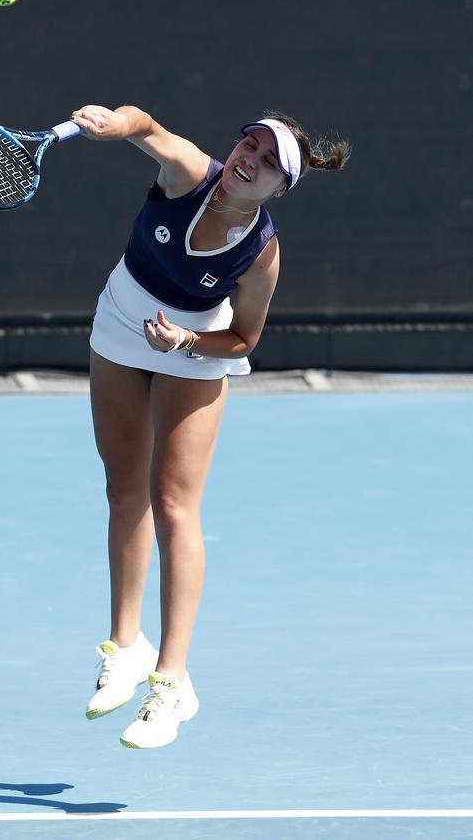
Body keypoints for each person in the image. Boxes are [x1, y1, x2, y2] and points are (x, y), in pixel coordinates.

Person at [69, 104, 350, 749]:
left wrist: (187, 342)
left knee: (174, 504)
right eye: (248, 145)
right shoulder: (192, 174)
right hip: (119, 322)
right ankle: (127, 645)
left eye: (266, 163)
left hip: (191, 346)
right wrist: (116, 125)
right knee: (123, 488)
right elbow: (148, 128)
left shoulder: (261, 254)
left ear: (281, 188)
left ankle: (171, 684)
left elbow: (244, 336)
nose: (248, 161)